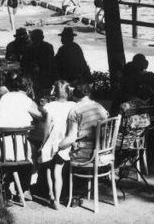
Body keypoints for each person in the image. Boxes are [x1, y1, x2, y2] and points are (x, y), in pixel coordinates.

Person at [39, 80, 76, 210]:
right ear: (68, 92)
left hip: (52, 138)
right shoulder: (73, 105)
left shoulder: (50, 106)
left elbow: (47, 127)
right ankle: (58, 200)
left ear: (54, 92)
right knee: (58, 169)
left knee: (48, 166)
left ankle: (51, 195)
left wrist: (43, 143)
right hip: (65, 140)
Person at [58, 81, 108, 165]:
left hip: (85, 156)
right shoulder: (100, 107)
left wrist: (57, 146)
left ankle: (65, 177)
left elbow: (71, 138)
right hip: (104, 152)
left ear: (74, 95)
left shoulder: (75, 110)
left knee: (60, 152)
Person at [21, 29, 56, 93]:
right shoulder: (49, 46)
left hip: (35, 79)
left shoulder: (28, 48)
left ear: (31, 38)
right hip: (46, 78)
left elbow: (23, 64)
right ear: (43, 37)